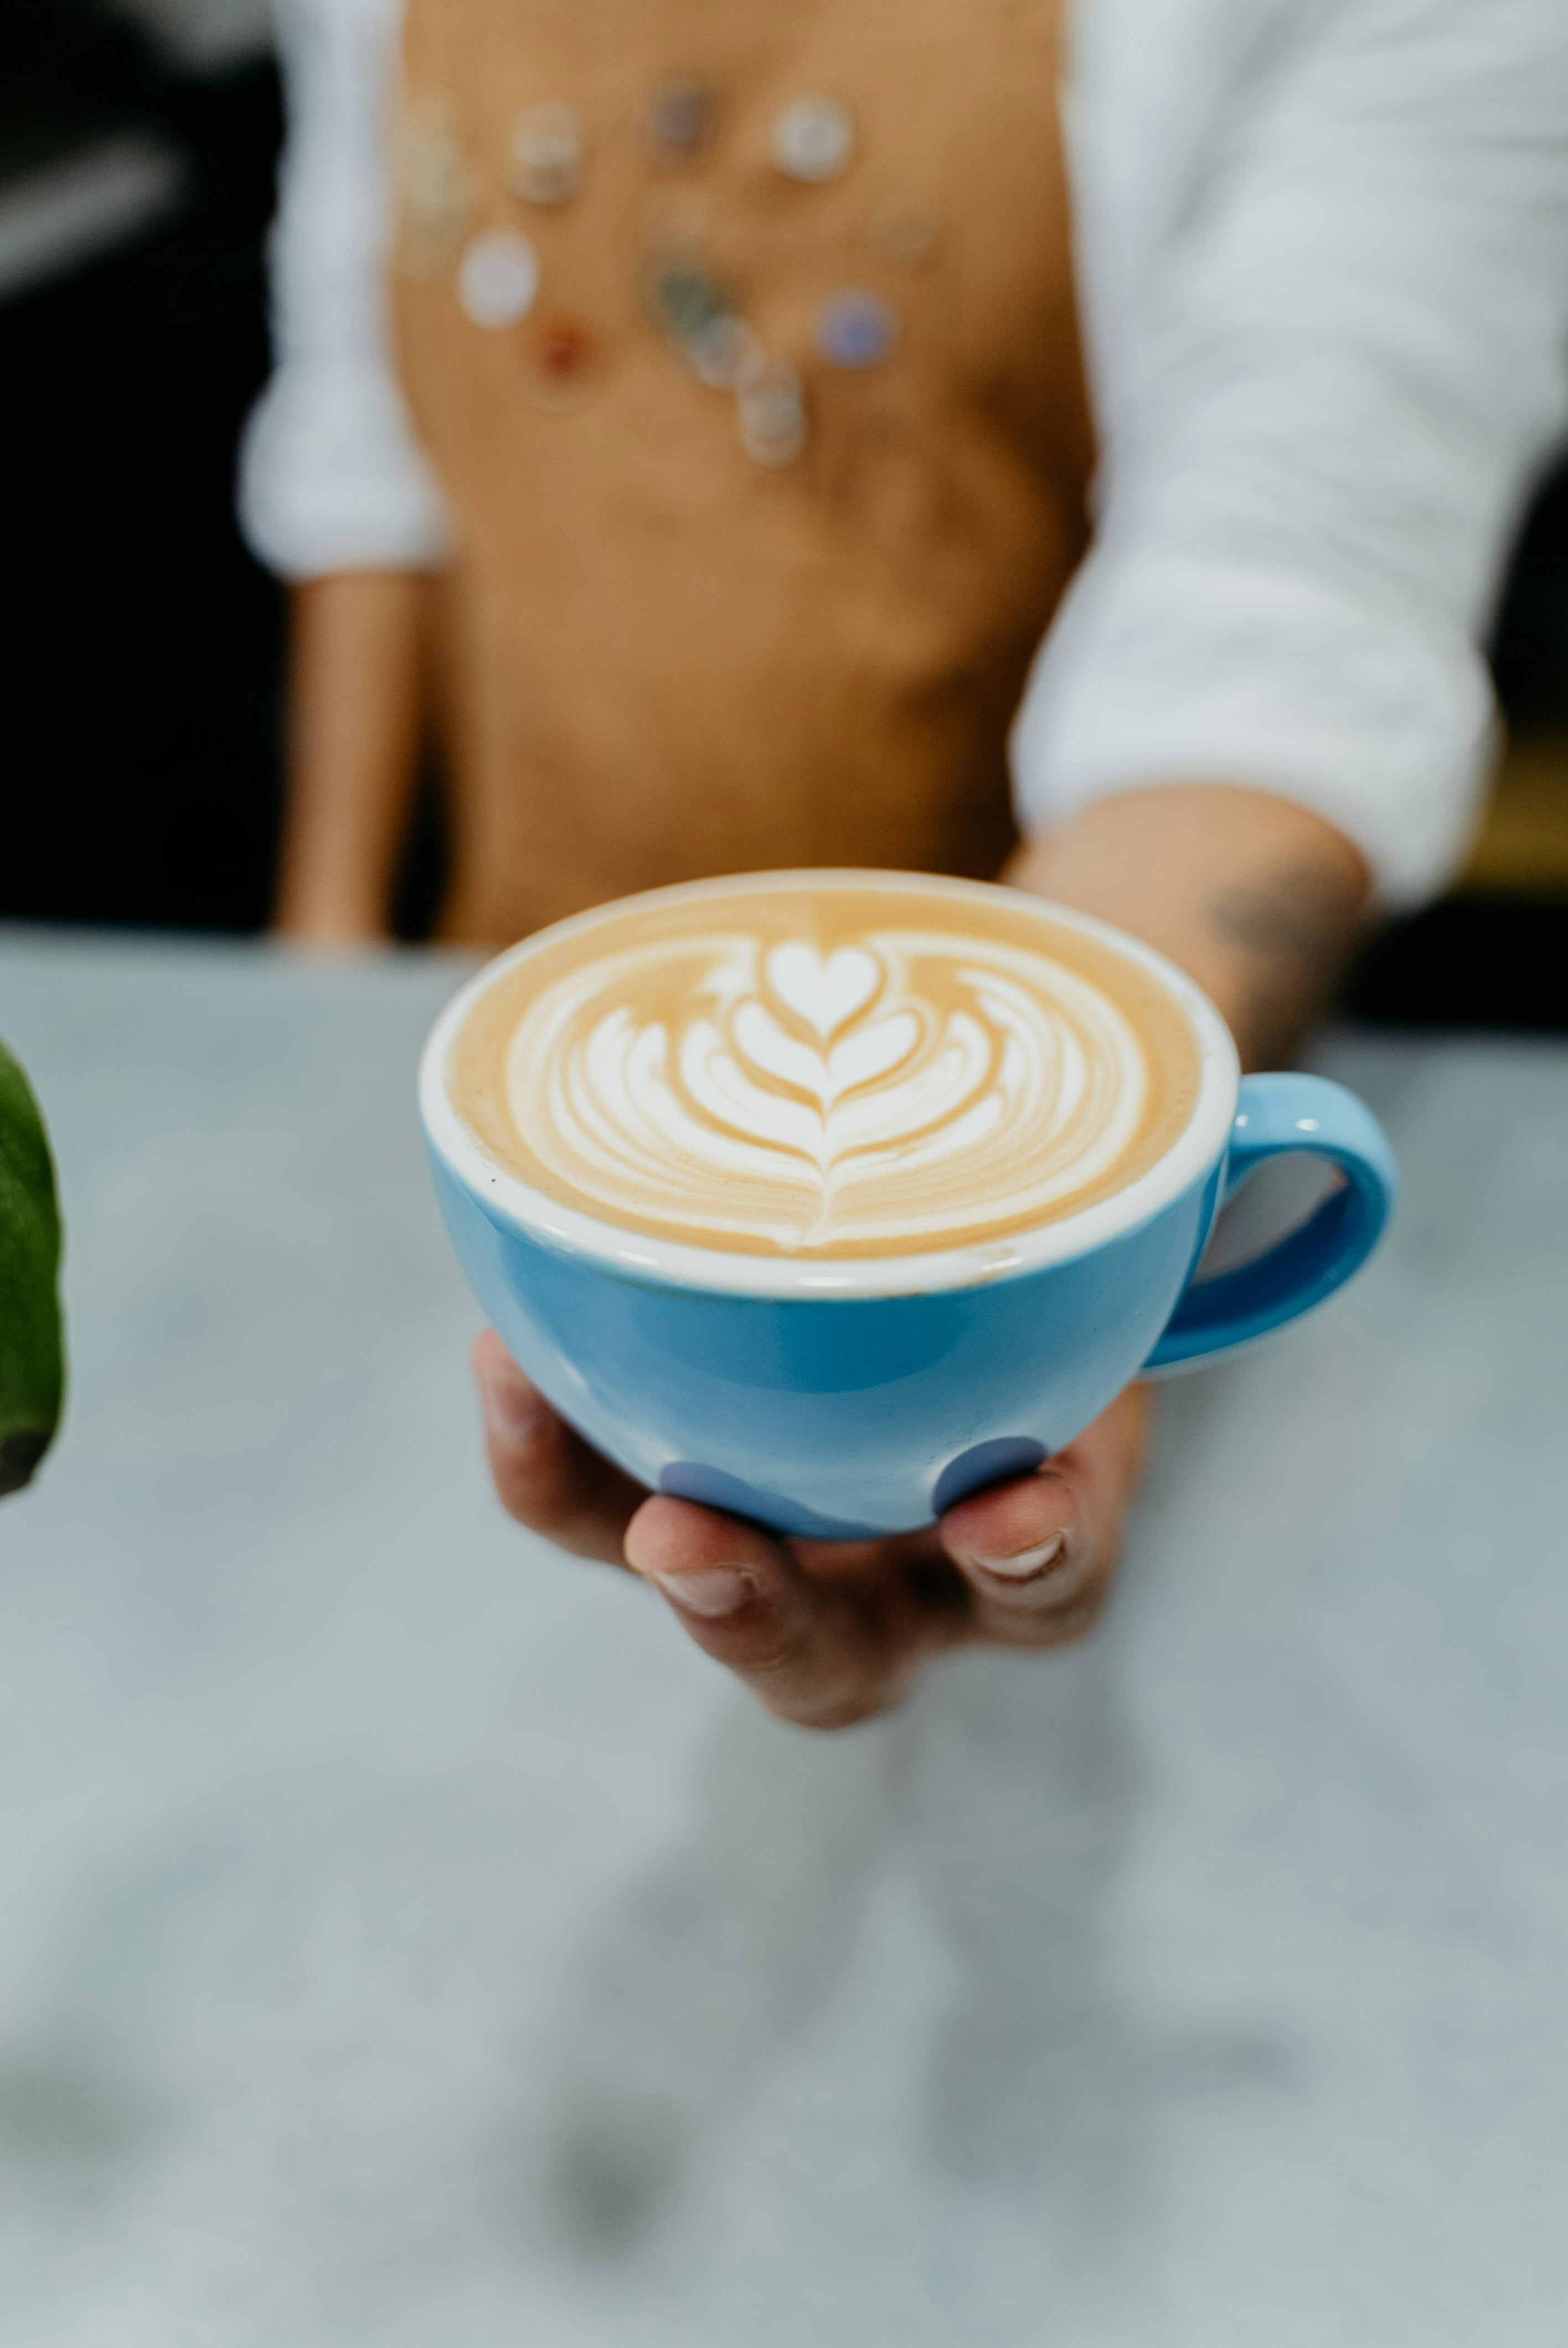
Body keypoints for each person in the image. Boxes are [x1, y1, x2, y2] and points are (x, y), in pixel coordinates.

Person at [243, 0, 1568, 1728]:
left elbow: (1285, 616)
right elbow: (360, 429)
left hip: (1013, 1214)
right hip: (510, 1130)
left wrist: (1042, 1262)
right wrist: (320, 934)